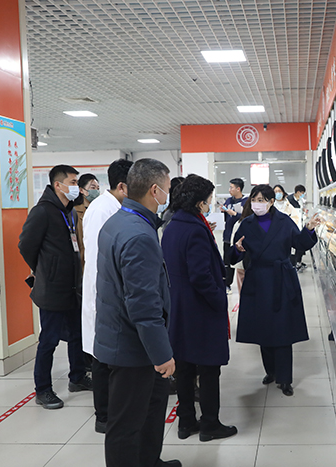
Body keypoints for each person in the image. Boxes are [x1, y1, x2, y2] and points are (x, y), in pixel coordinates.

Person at [93, 158, 180, 467]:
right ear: (155, 190)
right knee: (127, 422)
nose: (168, 194)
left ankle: (149, 460)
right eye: (167, 188)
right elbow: (143, 305)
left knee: (151, 411)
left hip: (125, 335)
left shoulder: (120, 221)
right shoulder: (138, 235)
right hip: (132, 345)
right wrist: (162, 354)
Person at [162, 174, 237, 443]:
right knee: (208, 369)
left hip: (180, 306)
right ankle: (210, 424)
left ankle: (186, 422)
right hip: (200, 309)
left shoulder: (173, 225)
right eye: (208, 200)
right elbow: (200, 275)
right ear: (199, 202)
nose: (209, 204)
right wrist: (219, 299)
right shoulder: (194, 229)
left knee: (184, 367)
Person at [231, 184, 322, 396]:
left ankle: (285, 379)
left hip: (281, 279)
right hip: (257, 280)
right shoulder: (246, 224)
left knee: (282, 331)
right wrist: (237, 249)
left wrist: (308, 229)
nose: (257, 204)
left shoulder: (284, 221)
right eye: (254, 200)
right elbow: (234, 254)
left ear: (272, 202)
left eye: (262, 200)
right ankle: (270, 371)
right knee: (263, 329)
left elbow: (299, 243)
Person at [18, 164, 93, 410]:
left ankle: (77, 377)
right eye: (73, 182)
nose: (76, 187)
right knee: (49, 340)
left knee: (76, 335)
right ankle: (43, 389)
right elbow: (26, 245)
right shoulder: (42, 211)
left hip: (72, 286)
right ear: (58, 185)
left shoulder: (69, 211)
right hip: (52, 287)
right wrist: (43, 268)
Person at [81, 159, 132, 434]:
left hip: (109, 291)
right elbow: (99, 258)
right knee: (101, 358)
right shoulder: (103, 210)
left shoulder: (114, 207)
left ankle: (111, 411)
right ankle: (103, 415)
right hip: (101, 292)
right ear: (123, 186)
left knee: (108, 354)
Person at [221, 178, 247, 292]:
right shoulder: (228, 201)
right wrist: (223, 211)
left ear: (238, 189)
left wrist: (235, 214)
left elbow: (246, 217)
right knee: (227, 261)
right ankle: (227, 284)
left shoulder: (246, 202)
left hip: (239, 236)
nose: (229, 190)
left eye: (231, 187)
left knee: (239, 262)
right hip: (228, 235)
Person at [74, 173, 100, 267]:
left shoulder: (99, 210)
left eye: (98, 188)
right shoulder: (75, 212)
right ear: (81, 190)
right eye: (93, 187)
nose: (96, 191)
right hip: (81, 260)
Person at [287, 185, 307, 269]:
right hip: (293, 226)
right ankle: (293, 263)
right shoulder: (289, 200)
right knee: (293, 247)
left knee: (300, 245)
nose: (303, 195)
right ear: (298, 192)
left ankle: (298, 261)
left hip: (300, 225)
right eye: (302, 193)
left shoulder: (300, 200)